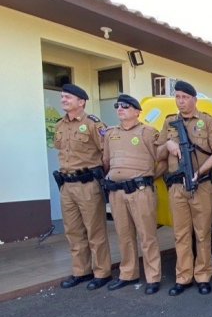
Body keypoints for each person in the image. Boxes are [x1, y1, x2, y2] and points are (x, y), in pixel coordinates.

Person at [155, 80, 212, 296]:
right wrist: (168, 145)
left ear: (194, 100)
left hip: (201, 186)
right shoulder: (169, 123)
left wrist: (199, 172)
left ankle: (202, 276)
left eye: (185, 97)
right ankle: (183, 277)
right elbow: (157, 155)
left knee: (202, 233)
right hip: (176, 187)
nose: (181, 101)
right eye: (177, 97)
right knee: (181, 234)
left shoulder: (207, 121)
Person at [103, 94, 166, 294]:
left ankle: (153, 277)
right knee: (124, 235)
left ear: (137, 111)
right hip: (117, 193)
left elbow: (162, 160)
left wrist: (146, 179)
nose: (120, 108)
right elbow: (106, 162)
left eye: (126, 106)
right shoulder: (110, 133)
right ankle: (128, 274)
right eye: (117, 106)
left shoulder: (148, 132)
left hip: (140, 192)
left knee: (147, 236)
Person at [53, 83, 113, 291]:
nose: (63, 100)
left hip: (88, 184)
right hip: (66, 185)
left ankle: (102, 272)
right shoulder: (60, 125)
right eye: (62, 97)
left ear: (81, 102)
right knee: (73, 231)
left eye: (67, 97)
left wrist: (99, 174)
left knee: (95, 230)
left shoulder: (93, 124)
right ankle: (81, 271)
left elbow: (107, 153)